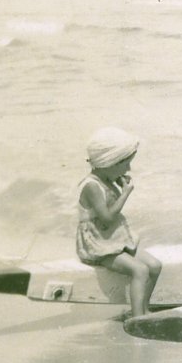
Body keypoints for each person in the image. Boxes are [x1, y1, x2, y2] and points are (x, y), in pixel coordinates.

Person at [76, 127, 162, 318]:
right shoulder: (92, 186)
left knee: (155, 266)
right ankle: (138, 318)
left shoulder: (108, 179)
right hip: (99, 245)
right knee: (140, 270)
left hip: (115, 239)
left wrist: (119, 186)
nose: (128, 169)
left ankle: (142, 308)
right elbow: (107, 218)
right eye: (126, 164)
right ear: (110, 162)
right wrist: (125, 194)